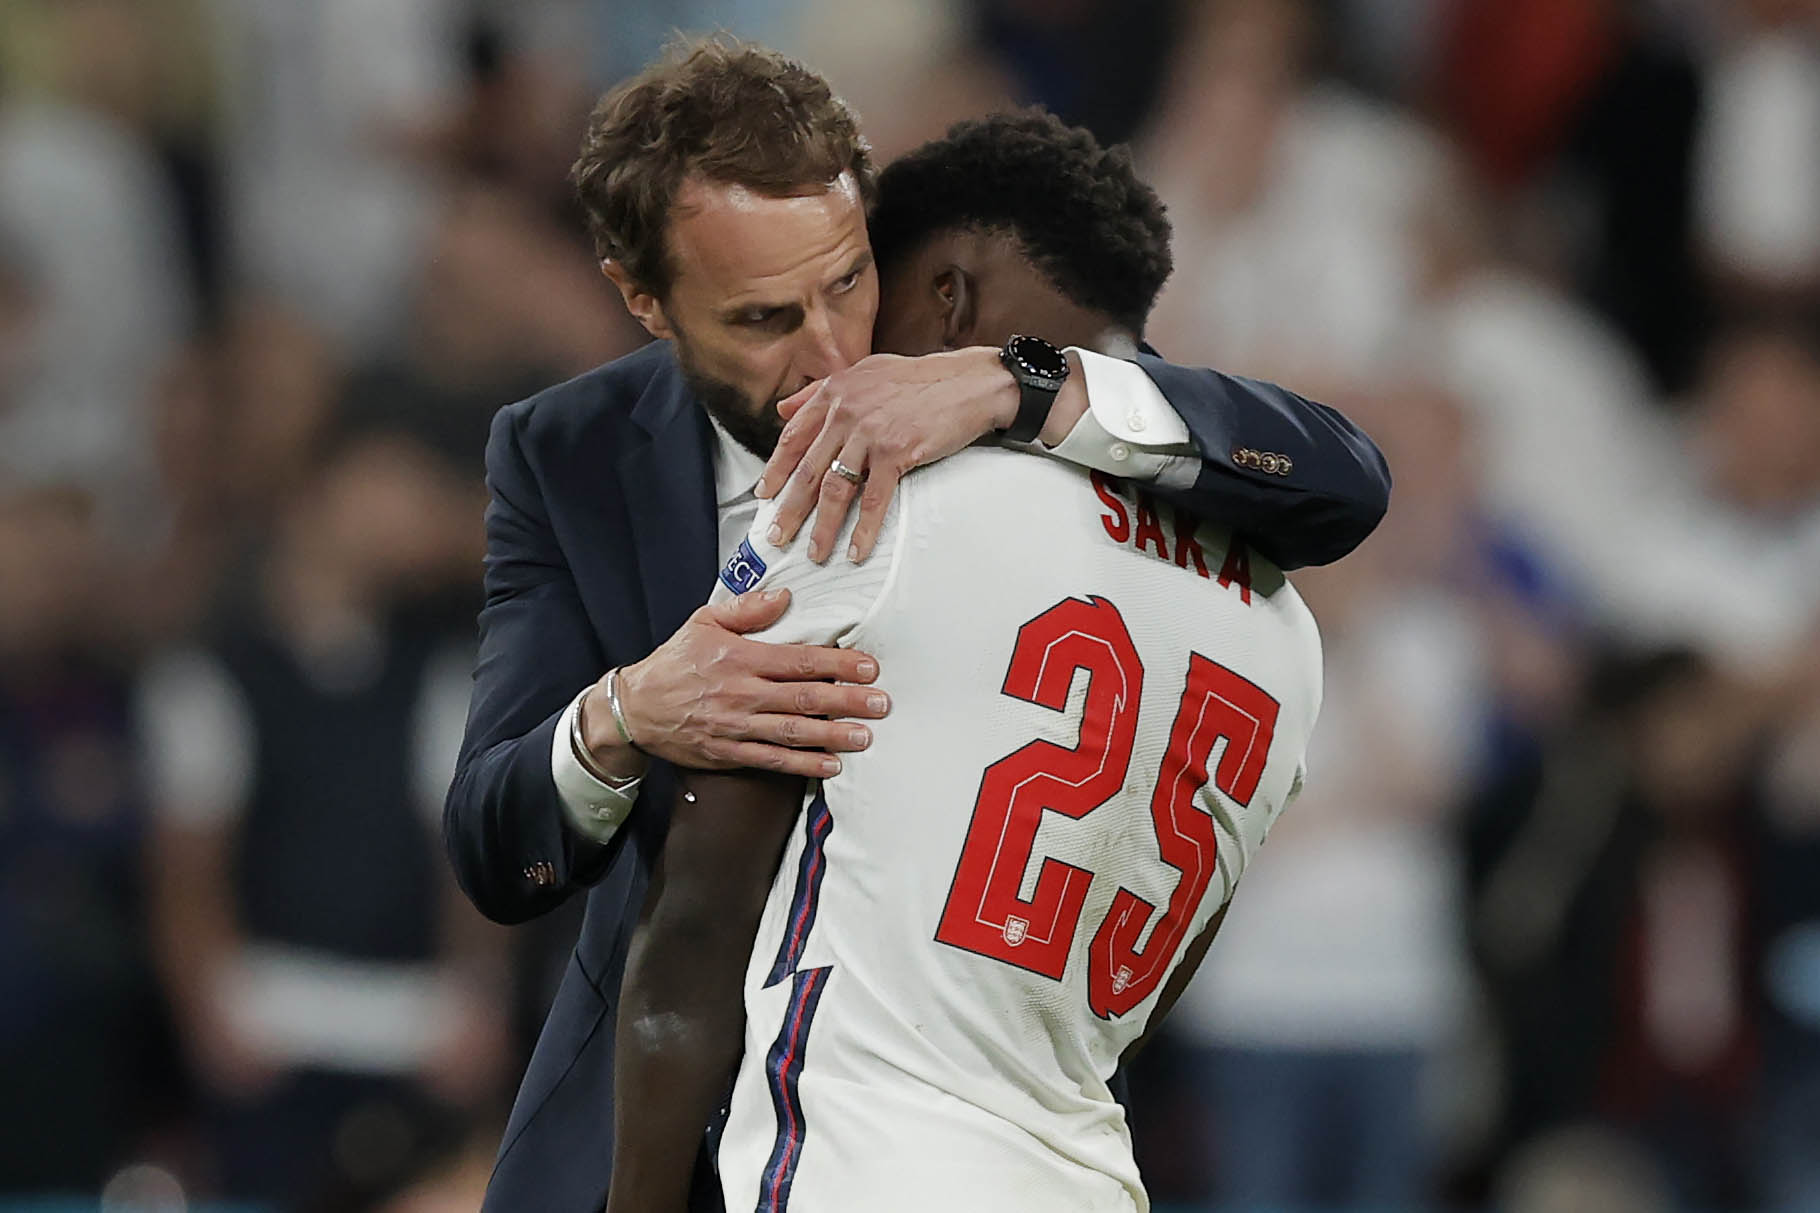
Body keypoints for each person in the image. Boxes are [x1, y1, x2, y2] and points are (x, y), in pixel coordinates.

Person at [443, 37, 1387, 1211]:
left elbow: (1349, 477)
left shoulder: (906, 493)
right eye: (760, 314)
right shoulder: (564, 453)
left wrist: (1016, 380)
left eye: (848, 282)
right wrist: (623, 716)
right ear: (645, 301)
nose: (835, 348)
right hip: (1044, 1158)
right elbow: (499, 841)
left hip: (843, 1146)